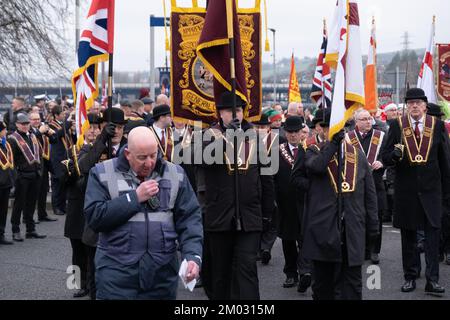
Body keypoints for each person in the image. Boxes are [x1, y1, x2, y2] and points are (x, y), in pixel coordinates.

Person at [84, 126, 203, 299]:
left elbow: (190, 220)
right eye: (142, 157)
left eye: (153, 155)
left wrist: (193, 256)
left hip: (162, 276)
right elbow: (95, 218)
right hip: (116, 277)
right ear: (127, 154)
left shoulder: (175, 173)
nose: (149, 162)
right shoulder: (101, 172)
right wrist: (134, 198)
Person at [201, 91, 275, 300]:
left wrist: (268, 212)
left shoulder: (253, 137)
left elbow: (266, 176)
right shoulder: (208, 135)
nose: (235, 115)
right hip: (220, 216)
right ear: (220, 114)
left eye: (239, 110)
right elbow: (203, 161)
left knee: (247, 269)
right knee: (220, 273)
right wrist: (227, 139)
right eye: (229, 111)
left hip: (249, 215)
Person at [300, 109, 379, 300]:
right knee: (323, 287)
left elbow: (369, 194)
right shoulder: (312, 151)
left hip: (351, 230)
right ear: (320, 129)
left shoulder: (358, 155)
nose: (333, 131)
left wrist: (373, 227)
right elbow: (317, 167)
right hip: (323, 230)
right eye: (328, 128)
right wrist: (333, 144)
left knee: (352, 286)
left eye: (338, 128)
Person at [381, 88, 450, 295]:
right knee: (409, 238)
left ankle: (433, 280)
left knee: (432, 238)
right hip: (406, 191)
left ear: (425, 106)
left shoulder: (436, 126)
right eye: (410, 103)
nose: (414, 106)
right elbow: (385, 158)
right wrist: (393, 155)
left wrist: (446, 193)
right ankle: (410, 276)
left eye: (418, 103)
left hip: (431, 191)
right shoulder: (396, 125)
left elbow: (444, 160)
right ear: (406, 106)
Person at [80, 107, 127, 300]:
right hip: (98, 223)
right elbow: (82, 168)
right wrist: (101, 142)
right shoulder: (94, 147)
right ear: (101, 127)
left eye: (119, 127)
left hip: (125, 220)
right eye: (110, 127)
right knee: (95, 276)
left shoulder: (131, 148)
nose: (115, 131)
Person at [62, 114, 103, 298]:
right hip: (76, 205)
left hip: (94, 205)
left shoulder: (105, 151)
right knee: (77, 248)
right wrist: (70, 171)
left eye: (96, 127)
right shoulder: (72, 150)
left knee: (93, 249)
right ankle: (79, 284)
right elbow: (63, 179)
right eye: (89, 127)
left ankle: (94, 283)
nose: (93, 131)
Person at [274, 116, 312, 293]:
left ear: (301, 132)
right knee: (288, 239)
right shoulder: (276, 150)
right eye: (289, 132)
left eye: (296, 132)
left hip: (306, 200)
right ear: (285, 133)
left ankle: (305, 271)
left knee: (304, 237)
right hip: (285, 201)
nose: (293, 135)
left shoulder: (310, 150)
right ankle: (291, 273)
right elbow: (271, 177)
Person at [346, 108, 387, 265]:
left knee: (376, 217)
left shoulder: (381, 136)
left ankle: (375, 250)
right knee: (359, 218)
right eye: (364, 119)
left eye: (369, 118)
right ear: (356, 122)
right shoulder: (349, 138)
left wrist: (382, 161)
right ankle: (362, 249)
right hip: (356, 185)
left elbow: (388, 154)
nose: (368, 121)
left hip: (376, 184)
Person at [8, 113, 46, 241]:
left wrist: (39, 170)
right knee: (19, 204)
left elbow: (39, 154)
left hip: (34, 174)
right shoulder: (12, 139)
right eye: (22, 124)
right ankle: (15, 230)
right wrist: (15, 177)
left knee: (31, 203)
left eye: (26, 123)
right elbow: (11, 161)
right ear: (17, 124)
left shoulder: (33, 136)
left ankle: (31, 230)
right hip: (22, 176)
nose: (25, 126)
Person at [253, 113, 278, 265]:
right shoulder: (250, 142)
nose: (260, 129)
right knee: (259, 218)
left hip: (275, 185)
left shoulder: (277, 141)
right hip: (257, 185)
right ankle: (259, 247)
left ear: (269, 128)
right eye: (257, 127)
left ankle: (266, 247)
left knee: (273, 219)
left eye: (263, 127)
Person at [29, 112, 58, 222]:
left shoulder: (43, 128)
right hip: (34, 164)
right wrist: (39, 132)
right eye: (34, 119)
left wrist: (50, 133)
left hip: (44, 163)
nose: (36, 121)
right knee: (33, 192)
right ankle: (29, 217)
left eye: (38, 119)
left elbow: (55, 140)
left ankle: (42, 214)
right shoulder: (29, 130)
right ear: (30, 120)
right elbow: (30, 141)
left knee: (43, 190)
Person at [0, 121, 15, 245]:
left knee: (3, 210)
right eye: (4, 130)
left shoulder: (5, 144)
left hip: (6, 183)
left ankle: (1, 234)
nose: (6, 132)